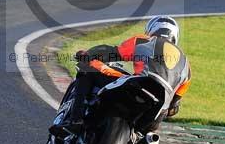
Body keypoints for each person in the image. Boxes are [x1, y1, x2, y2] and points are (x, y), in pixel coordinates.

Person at [51, 16, 191, 136]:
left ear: (151, 30)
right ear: (175, 36)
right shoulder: (186, 64)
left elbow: (112, 52)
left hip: (138, 84)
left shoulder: (145, 41)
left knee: (87, 69)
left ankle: (75, 120)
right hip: (156, 110)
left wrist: (88, 55)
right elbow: (174, 107)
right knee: (148, 133)